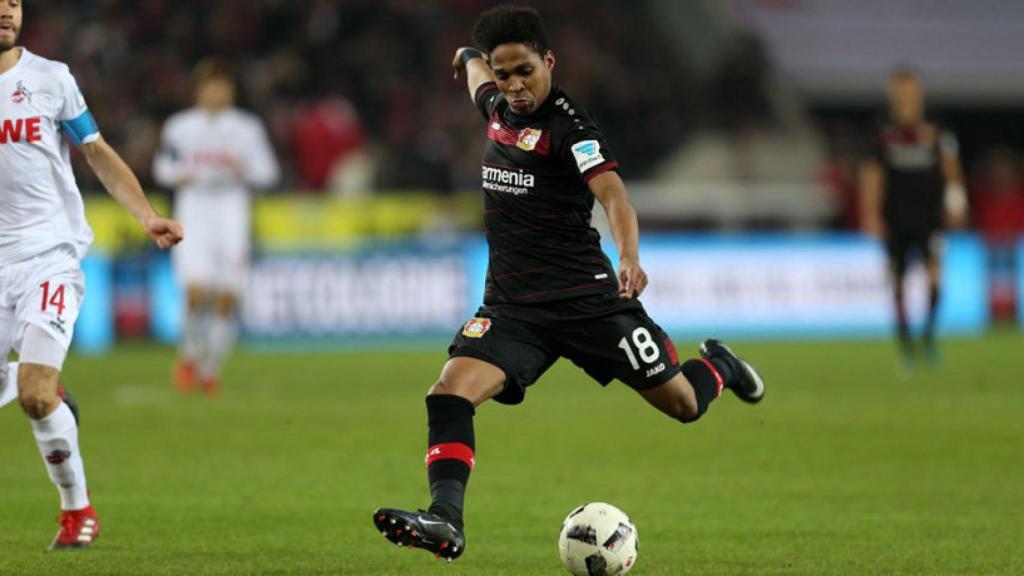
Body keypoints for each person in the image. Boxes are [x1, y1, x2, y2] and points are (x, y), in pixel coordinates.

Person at [372, 5, 765, 562]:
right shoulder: (499, 104)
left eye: (524, 71)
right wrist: (467, 58)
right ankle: (444, 519)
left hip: (590, 305)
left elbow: (614, 195)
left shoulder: (570, 127)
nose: (514, 85)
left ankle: (720, 366)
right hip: (514, 308)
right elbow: (480, 82)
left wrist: (629, 257)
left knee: (682, 404)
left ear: (548, 61)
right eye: (503, 74)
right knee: (449, 392)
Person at [0, 0, 183, 549]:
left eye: (13, 1)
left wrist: (147, 214)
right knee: (32, 388)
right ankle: (41, 383)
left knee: (33, 396)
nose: (6, 11)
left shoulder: (51, 79)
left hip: (48, 257)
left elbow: (96, 150)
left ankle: (77, 510)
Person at [153, 58, 279, 395]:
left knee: (226, 296)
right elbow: (161, 167)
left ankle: (210, 368)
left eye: (223, 84)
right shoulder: (180, 126)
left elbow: (269, 172)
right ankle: (190, 355)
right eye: (211, 84)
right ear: (199, 90)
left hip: (232, 209)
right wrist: (181, 174)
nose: (217, 91)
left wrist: (246, 171)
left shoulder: (247, 128)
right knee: (195, 291)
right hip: (193, 208)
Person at [859, 68, 966, 367]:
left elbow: (950, 167)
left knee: (934, 274)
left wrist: (956, 202)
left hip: (930, 216)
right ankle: (906, 347)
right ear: (892, 94)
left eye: (910, 91)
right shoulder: (882, 132)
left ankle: (929, 337)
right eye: (900, 92)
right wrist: (870, 214)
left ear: (919, 93)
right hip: (896, 218)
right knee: (897, 281)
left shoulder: (936, 128)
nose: (905, 97)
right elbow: (871, 174)